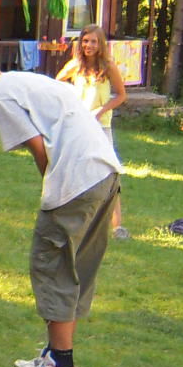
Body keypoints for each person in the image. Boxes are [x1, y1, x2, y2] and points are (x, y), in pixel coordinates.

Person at [0, 47, 120, 367]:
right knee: (75, 269)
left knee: (52, 268)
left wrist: (50, 190)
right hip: (105, 174)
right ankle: (54, 356)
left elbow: (39, 148)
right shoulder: (23, 80)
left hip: (75, 181)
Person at [56, 23, 129, 239]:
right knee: (76, 172)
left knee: (109, 173)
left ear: (101, 44)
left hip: (101, 126)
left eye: (94, 42)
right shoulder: (75, 65)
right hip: (78, 126)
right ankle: (76, 222)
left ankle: (117, 227)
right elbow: (57, 85)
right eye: (86, 41)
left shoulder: (108, 66)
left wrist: (102, 110)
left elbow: (121, 95)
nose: (89, 45)